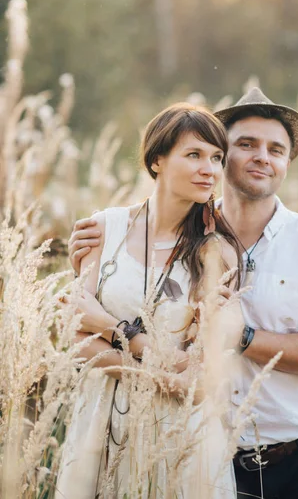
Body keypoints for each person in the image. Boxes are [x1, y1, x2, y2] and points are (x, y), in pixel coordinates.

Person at [69, 88, 298, 499]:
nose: (263, 156)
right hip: (205, 456)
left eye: (276, 149)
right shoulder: (187, 239)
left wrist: (238, 335)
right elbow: (91, 319)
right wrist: (96, 279)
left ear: (287, 163)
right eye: (246, 145)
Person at [57, 103, 243, 499]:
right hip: (100, 421)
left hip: (180, 436)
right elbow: (76, 340)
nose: (209, 169)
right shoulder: (105, 229)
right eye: (194, 155)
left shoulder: (216, 253)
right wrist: (163, 374)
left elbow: (199, 379)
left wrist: (111, 329)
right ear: (157, 160)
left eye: (216, 158)